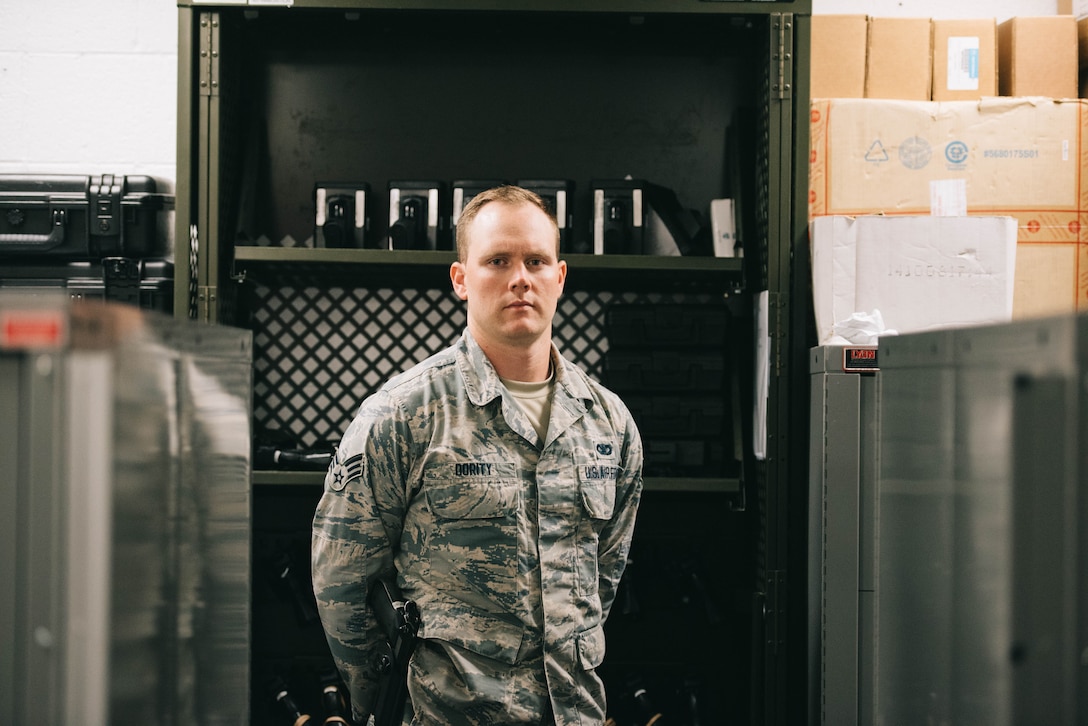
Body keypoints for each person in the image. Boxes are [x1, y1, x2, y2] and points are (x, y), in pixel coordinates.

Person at [311, 184, 644, 725]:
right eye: (497, 260)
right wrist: (386, 707)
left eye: (536, 260)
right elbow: (343, 586)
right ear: (460, 279)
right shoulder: (402, 415)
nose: (520, 278)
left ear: (560, 277)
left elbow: (601, 583)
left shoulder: (609, 424)